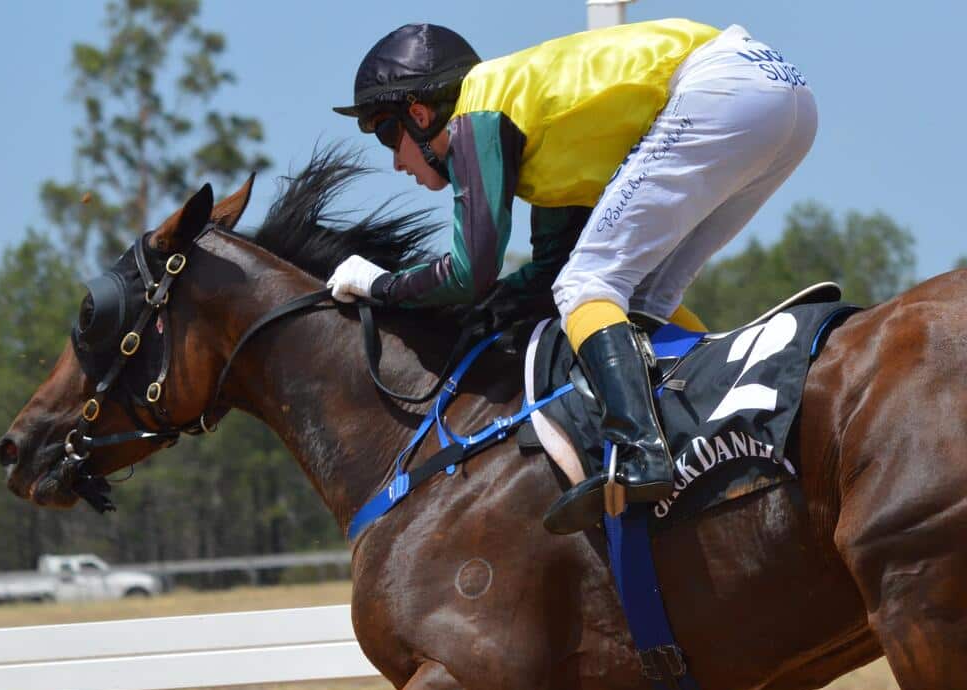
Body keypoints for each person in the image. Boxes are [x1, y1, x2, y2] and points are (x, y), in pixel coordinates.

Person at [326, 19, 818, 532]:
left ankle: (641, 453)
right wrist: (487, 310)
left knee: (587, 286)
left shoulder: (477, 113)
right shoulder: (535, 129)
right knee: (640, 296)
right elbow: (547, 271)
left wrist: (379, 285)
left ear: (420, 114)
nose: (394, 161)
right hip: (784, 95)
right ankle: (717, 433)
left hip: (725, 90)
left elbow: (471, 270)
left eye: (387, 133)